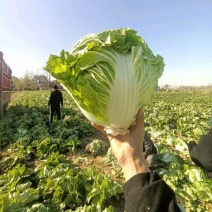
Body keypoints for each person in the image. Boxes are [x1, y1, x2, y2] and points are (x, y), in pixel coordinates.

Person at [93, 108, 181, 211]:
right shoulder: (127, 134)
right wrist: (131, 158)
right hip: (139, 154)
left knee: (151, 159)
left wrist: (139, 156)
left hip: (148, 153)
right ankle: (146, 172)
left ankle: (150, 171)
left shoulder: (144, 135)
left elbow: (149, 148)